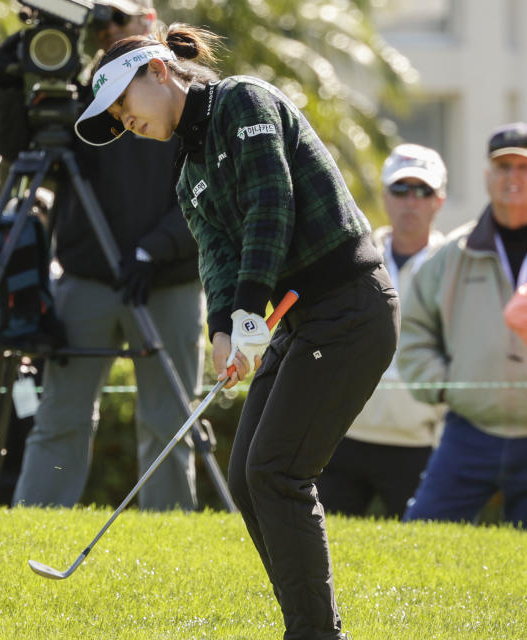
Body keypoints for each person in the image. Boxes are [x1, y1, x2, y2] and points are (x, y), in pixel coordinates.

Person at [74, 24, 399, 640]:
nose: (123, 121)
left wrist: (251, 312)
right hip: (302, 320)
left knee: (277, 472)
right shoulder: (186, 169)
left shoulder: (242, 101)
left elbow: (269, 201)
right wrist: (223, 328)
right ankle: (310, 627)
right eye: (114, 115)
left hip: (351, 308)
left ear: (158, 72)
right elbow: (216, 257)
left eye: (123, 104)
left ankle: (315, 634)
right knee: (250, 477)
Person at [0, 0, 205, 511]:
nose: (105, 30)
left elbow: (209, 192)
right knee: (60, 415)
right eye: (98, 22)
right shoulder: (79, 96)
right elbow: (13, 151)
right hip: (87, 278)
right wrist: (6, 84)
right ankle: (37, 523)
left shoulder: (186, 94)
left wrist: (154, 249)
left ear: (147, 21)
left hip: (168, 278)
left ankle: (169, 535)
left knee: (168, 419)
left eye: (116, 20)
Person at [399, 122, 527, 528]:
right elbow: (414, 334)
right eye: (503, 167)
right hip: (468, 431)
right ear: (487, 176)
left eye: (524, 167)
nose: (512, 177)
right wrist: (445, 386)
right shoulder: (451, 256)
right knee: (421, 541)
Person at [317, 144, 447, 518]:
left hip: (422, 444)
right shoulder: (353, 255)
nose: (411, 201)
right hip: (345, 438)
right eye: (401, 189)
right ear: (385, 196)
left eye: (422, 191)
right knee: (326, 556)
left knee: (423, 563)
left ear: (439, 200)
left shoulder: (455, 263)